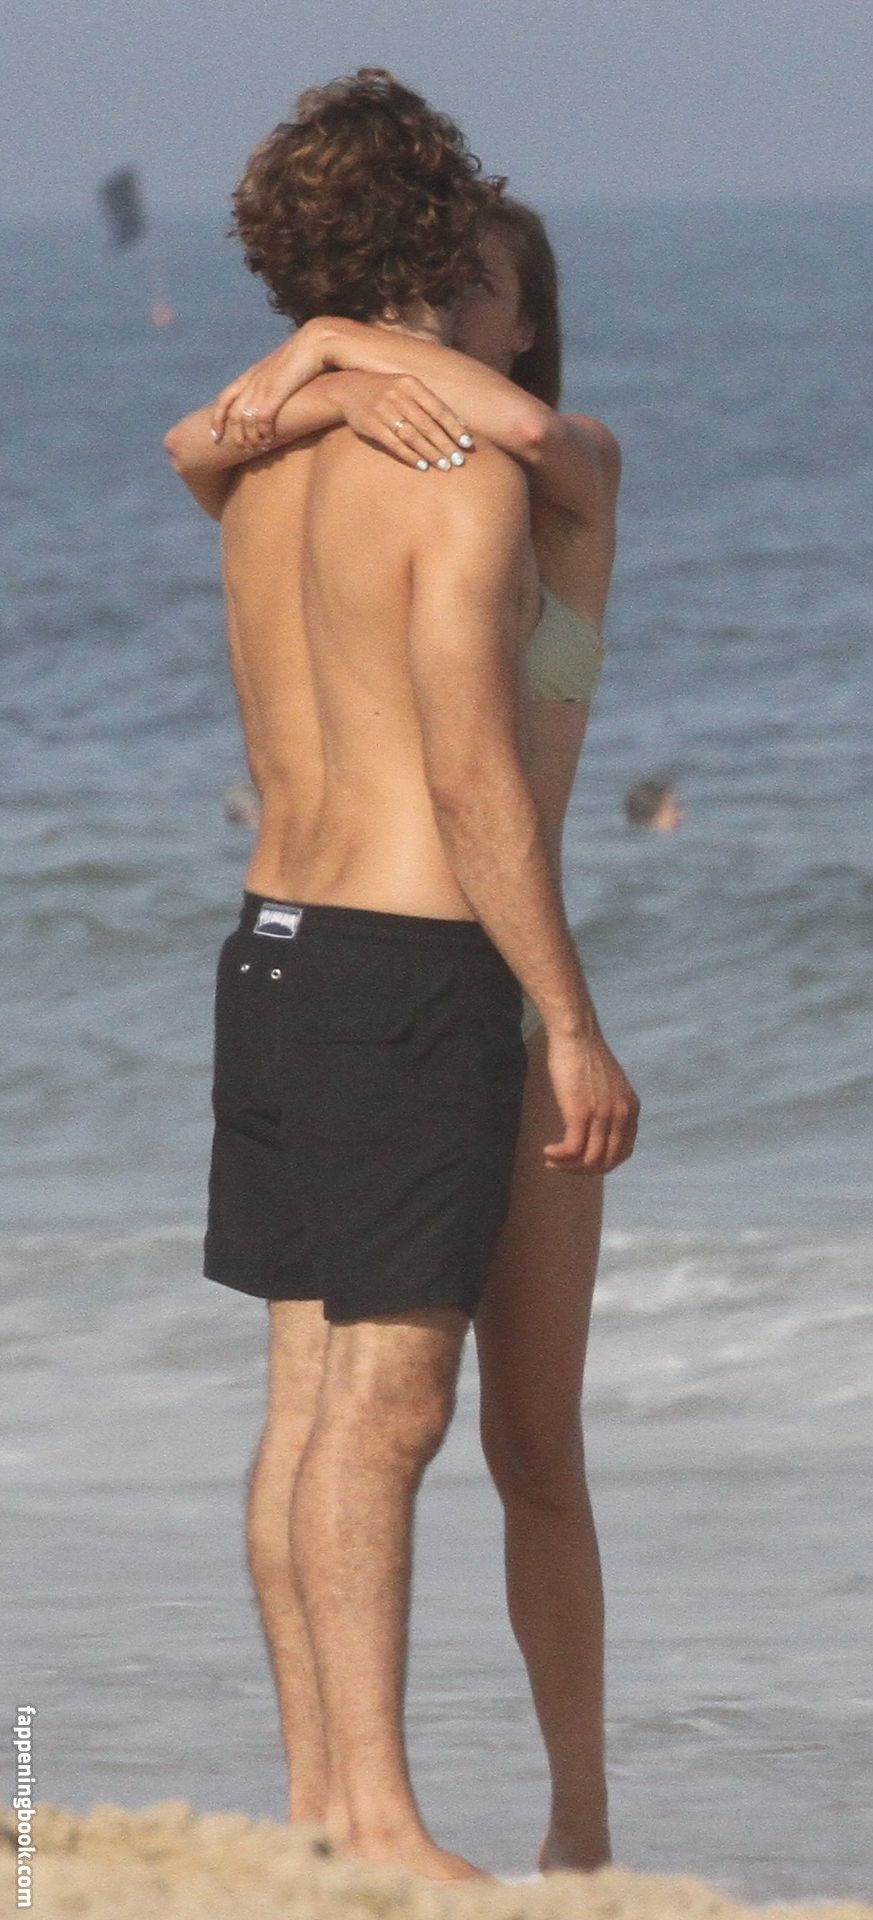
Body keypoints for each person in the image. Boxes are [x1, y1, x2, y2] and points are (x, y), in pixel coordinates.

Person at [164, 67, 639, 1884]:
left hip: (277, 953)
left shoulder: (266, 459)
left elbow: (196, 442)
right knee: (383, 1411)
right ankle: (369, 1820)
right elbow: (466, 778)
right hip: (417, 964)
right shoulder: (450, 477)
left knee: (320, 1410)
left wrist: (318, 354)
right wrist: (569, 1020)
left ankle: (335, 1811)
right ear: (444, 247)